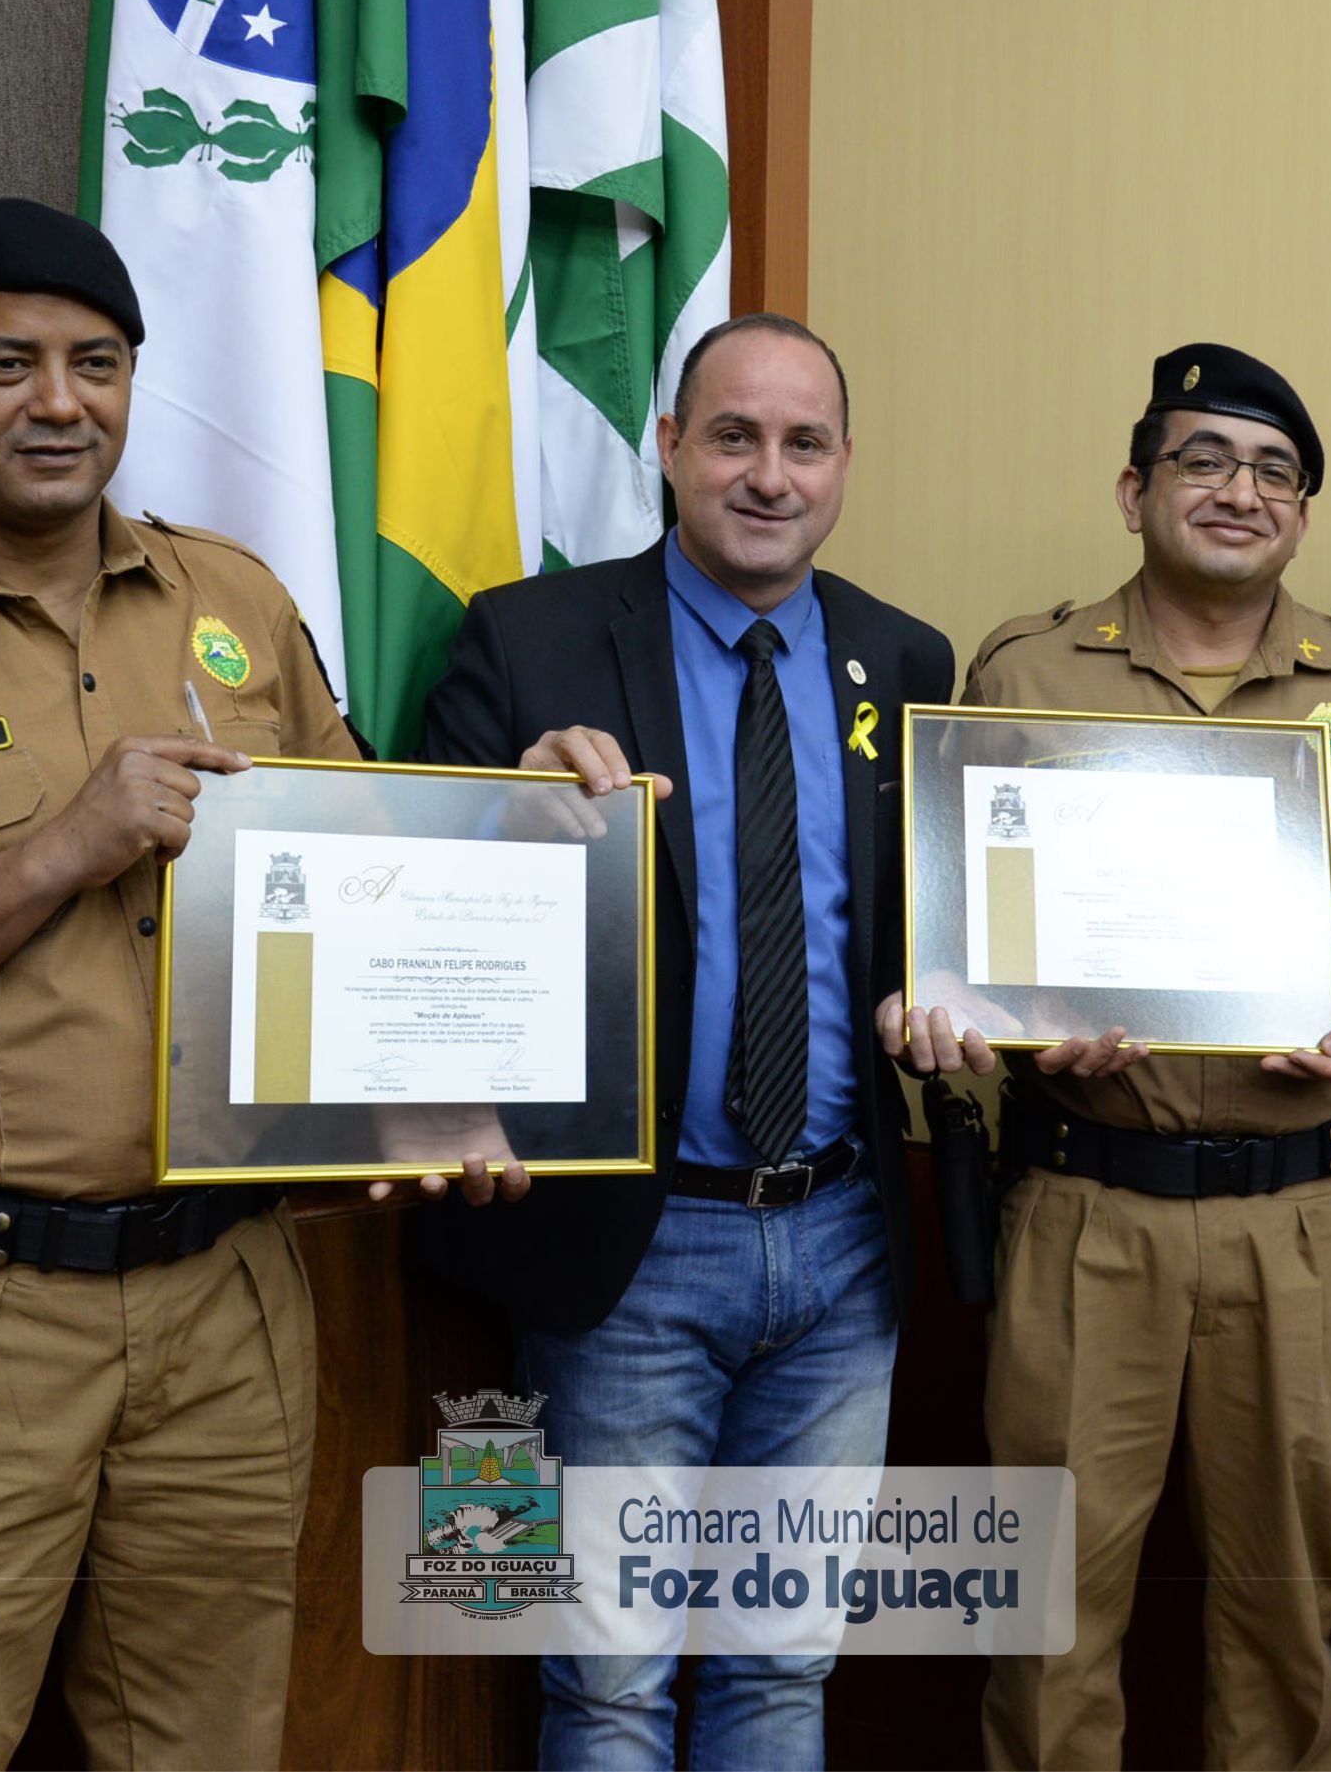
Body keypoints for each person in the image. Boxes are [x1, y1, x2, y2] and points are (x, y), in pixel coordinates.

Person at [0, 197, 508, 1769]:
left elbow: (366, 904)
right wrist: (56, 847)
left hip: (228, 1297)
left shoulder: (240, 607)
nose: (58, 401)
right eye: (5, 362)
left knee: (207, 1742)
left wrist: (536, 838)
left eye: (96, 363)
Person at [894, 341, 1331, 1771]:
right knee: (1045, 1624)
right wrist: (998, 1016)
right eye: (1202, 458)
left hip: (1304, 1222)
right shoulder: (1023, 668)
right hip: (1088, 1214)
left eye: (1274, 471)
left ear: (1303, 515)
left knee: (1286, 1630)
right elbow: (955, 935)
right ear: (1132, 487)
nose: (1238, 489)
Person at [414, 311, 954, 1767]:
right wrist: (503, 804)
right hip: (625, 1249)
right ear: (667, 447)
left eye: (802, 442)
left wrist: (941, 1006)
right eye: (731, 435)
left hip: (842, 1240)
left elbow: (914, 927)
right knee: (606, 1677)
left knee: (782, 1668)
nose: (766, 474)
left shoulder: (903, 658)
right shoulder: (525, 639)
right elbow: (401, 906)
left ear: (844, 463)